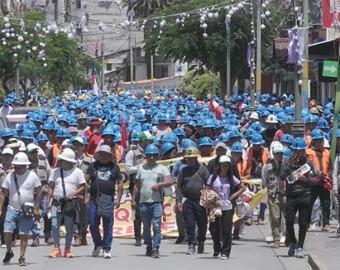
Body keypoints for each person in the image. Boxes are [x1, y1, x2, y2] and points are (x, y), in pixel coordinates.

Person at [0, 152, 42, 266]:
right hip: (12, 208)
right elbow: (3, 192)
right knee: (7, 231)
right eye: (15, 166)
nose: (17, 169)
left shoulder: (32, 176)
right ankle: (9, 251)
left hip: (26, 209)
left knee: (24, 234)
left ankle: (22, 256)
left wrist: (36, 208)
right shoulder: (10, 176)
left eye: (19, 167)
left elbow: (39, 191)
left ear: (25, 166)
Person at [280, 137, 318, 258]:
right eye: (295, 151)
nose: (297, 154)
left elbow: (317, 179)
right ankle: (293, 242)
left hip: (305, 194)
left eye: (300, 151)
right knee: (289, 221)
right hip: (291, 195)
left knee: (302, 222)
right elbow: (281, 176)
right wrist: (290, 166)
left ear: (304, 151)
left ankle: (300, 245)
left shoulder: (309, 163)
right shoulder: (287, 161)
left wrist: (307, 180)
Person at [135, 144, 173, 258]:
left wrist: (160, 185)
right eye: (149, 155)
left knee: (156, 225)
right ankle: (149, 245)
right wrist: (133, 199)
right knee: (146, 227)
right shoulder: (141, 168)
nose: (152, 157)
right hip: (144, 202)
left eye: (154, 155)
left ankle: (156, 247)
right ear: (146, 156)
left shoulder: (162, 169)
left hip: (157, 202)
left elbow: (170, 181)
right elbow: (137, 185)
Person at [47, 148, 86, 259]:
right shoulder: (55, 171)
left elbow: (83, 186)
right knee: (55, 225)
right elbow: (51, 187)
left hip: (69, 203)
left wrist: (74, 193)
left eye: (63, 160)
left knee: (69, 226)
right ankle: (56, 248)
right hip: (56, 202)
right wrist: (48, 201)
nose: (61, 162)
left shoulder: (77, 172)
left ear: (69, 162)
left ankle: (67, 249)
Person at [85, 145, 123, 259]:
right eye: (102, 154)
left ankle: (106, 248)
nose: (104, 156)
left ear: (109, 155)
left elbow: (120, 183)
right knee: (92, 223)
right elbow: (85, 181)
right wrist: (86, 196)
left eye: (106, 154)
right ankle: (98, 243)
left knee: (108, 225)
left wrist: (118, 199)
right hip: (94, 199)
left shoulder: (114, 167)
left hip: (108, 200)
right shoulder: (93, 166)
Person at [207, 155, 246, 259]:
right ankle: (217, 247)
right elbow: (207, 189)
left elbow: (242, 187)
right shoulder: (213, 177)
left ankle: (225, 252)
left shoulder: (231, 178)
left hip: (227, 206)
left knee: (226, 229)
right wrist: (211, 197)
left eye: (227, 165)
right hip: (215, 206)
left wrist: (233, 196)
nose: (225, 167)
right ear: (219, 166)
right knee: (213, 228)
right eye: (223, 165)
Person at [177, 146, 210, 255]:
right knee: (189, 223)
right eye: (188, 159)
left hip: (201, 200)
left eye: (192, 158)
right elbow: (179, 186)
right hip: (188, 200)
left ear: (196, 158)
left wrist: (208, 197)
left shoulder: (202, 169)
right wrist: (178, 200)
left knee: (202, 224)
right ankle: (191, 244)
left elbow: (209, 183)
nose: (190, 160)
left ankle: (201, 240)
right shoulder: (184, 171)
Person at [126, 131, 153, 246]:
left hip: (150, 184)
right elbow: (128, 169)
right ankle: (137, 236)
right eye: (148, 140)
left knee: (150, 210)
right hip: (136, 184)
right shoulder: (132, 153)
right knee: (138, 212)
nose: (150, 142)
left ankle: (147, 233)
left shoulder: (151, 151)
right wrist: (141, 166)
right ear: (143, 141)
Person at [305, 129, 334, 232]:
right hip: (313, 181)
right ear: (314, 141)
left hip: (324, 181)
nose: (321, 142)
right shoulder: (308, 152)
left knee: (326, 203)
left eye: (322, 140)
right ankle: (306, 223)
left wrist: (329, 174)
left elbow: (330, 166)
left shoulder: (327, 152)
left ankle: (326, 224)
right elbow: (305, 167)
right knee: (309, 203)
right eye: (319, 140)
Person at [26, 143, 53, 247]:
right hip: (31, 193)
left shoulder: (43, 159)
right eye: (32, 152)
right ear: (28, 153)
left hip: (44, 191)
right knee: (33, 215)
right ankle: (35, 237)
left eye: (35, 152)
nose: (34, 154)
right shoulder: (25, 163)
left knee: (47, 213)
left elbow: (49, 172)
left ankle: (48, 235)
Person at [262, 142, 286, 249]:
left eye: (281, 153)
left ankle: (287, 237)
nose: (279, 155)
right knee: (275, 218)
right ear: (273, 154)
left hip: (285, 194)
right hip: (273, 194)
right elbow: (264, 181)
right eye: (277, 153)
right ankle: (276, 238)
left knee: (286, 217)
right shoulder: (267, 166)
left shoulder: (287, 164)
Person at [72, 136, 94, 247]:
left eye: (78, 145)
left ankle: (83, 235)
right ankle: (77, 236)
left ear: (83, 146)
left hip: (87, 191)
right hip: (74, 191)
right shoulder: (69, 159)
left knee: (85, 216)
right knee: (74, 214)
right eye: (74, 144)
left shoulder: (90, 159)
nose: (76, 147)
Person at [0, 148, 14, 248]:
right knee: (2, 218)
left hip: (13, 196)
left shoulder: (15, 169)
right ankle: (4, 240)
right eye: (5, 155)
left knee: (14, 218)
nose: (7, 157)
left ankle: (12, 238)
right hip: (1, 196)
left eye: (9, 156)